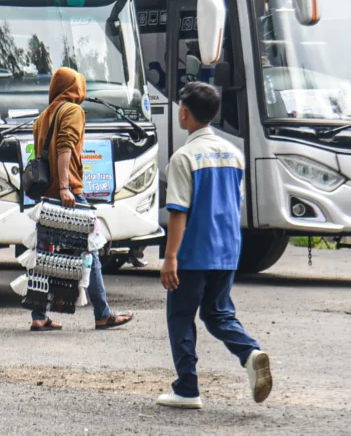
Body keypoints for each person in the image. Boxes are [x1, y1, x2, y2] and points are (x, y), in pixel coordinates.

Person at [157, 82, 272, 409]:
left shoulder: (183, 158)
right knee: (217, 313)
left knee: (181, 317)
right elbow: (233, 203)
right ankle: (250, 353)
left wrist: (170, 257)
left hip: (193, 252)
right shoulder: (234, 155)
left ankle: (187, 388)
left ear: (183, 112)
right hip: (227, 250)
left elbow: (178, 212)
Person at [28, 67, 134, 332]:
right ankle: (102, 314)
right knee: (91, 250)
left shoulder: (43, 116)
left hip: (46, 195)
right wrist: (65, 187)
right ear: (75, 88)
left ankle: (38, 315)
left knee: (44, 256)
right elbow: (64, 147)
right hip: (69, 194)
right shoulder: (73, 111)